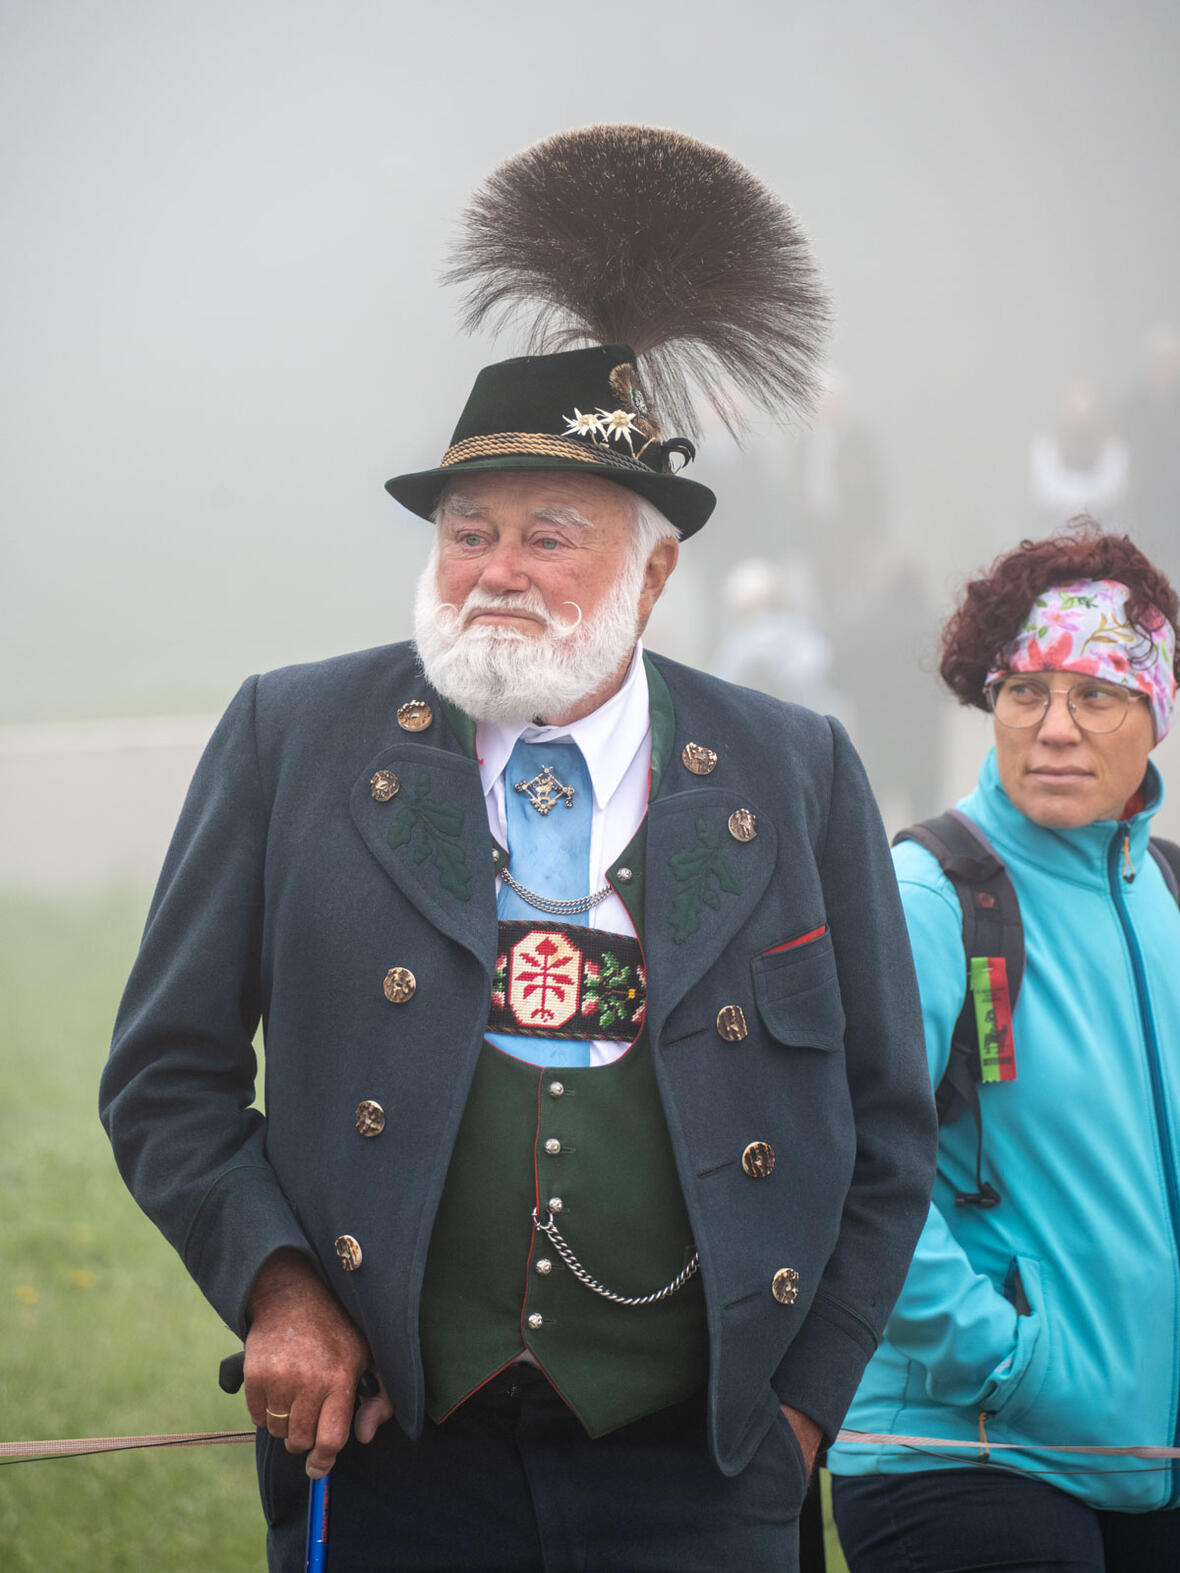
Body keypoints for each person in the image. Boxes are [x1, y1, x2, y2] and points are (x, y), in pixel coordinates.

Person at [100, 125, 937, 1573]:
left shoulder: (793, 773)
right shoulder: (292, 739)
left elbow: (886, 1131)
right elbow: (165, 1078)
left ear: (656, 570)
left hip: (707, 1465)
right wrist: (281, 1286)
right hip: (391, 1455)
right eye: (467, 528)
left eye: (552, 534)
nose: (494, 569)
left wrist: (798, 1415)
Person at [828, 520, 1180, 1572]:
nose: (1054, 726)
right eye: (1024, 692)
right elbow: (849, 1157)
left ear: (1153, 715)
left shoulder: (1167, 891)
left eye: (1094, 695)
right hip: (961, 1450)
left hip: (1143, 1452)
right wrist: (1004, 1359)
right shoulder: (932, 894)